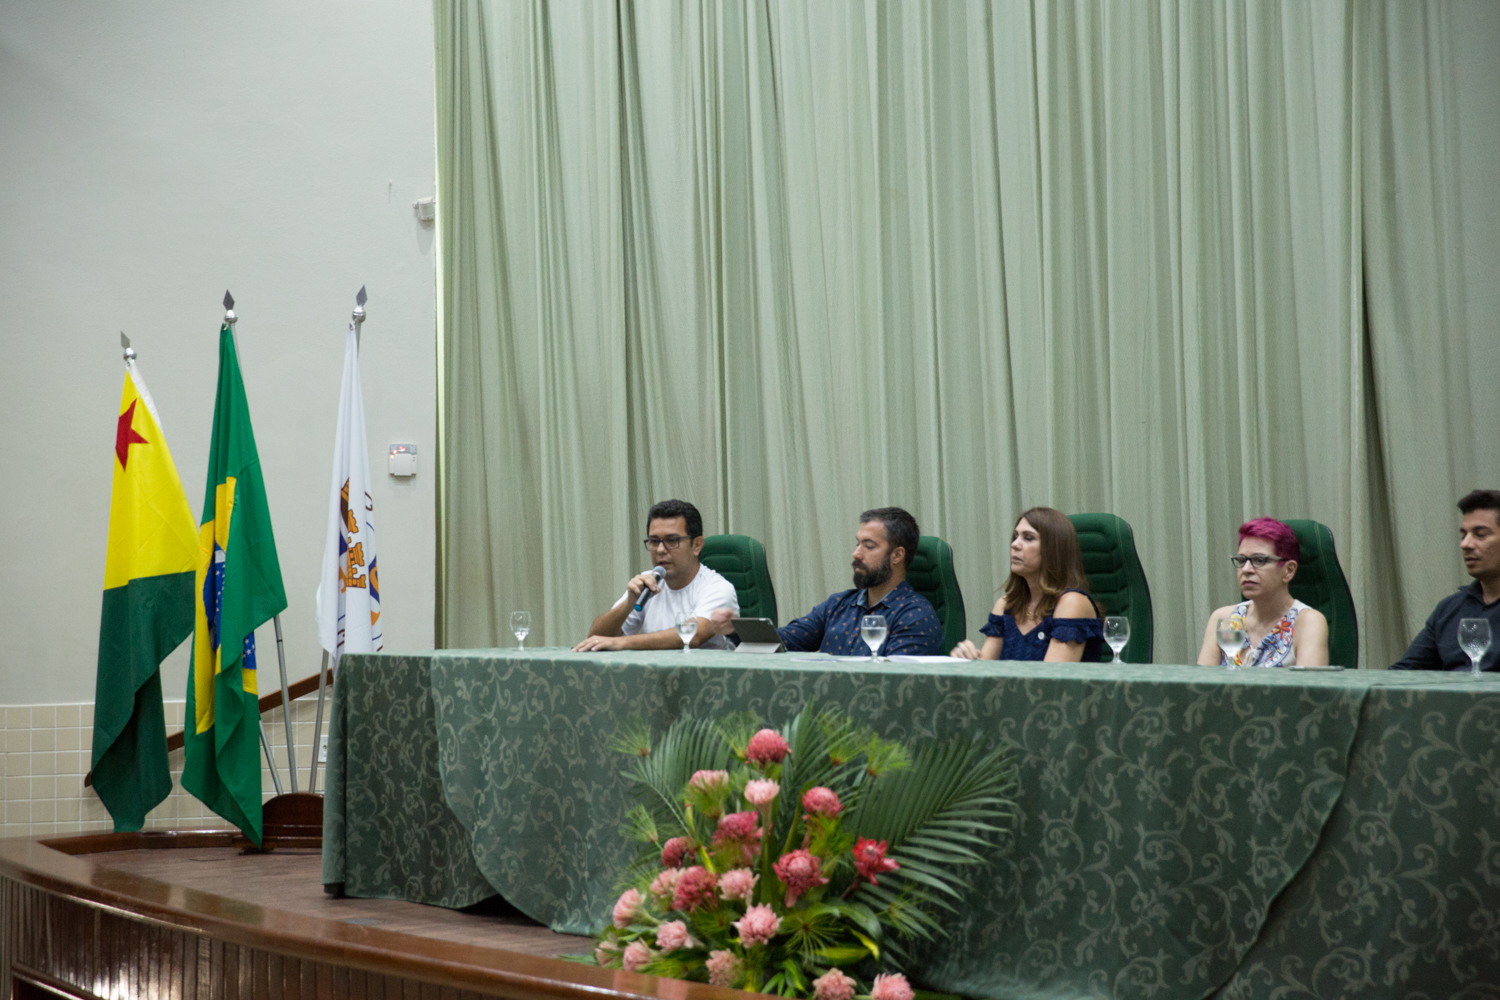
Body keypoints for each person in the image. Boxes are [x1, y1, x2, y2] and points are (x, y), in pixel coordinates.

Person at [710, 507, 943, 657]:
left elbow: (896, 685)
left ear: (897, 555)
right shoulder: (839, 604)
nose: (856, 553)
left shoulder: (916, 615)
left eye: (869, 546)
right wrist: (736, 627)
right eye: (857, 543)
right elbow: (786, 641)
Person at [574, 499, 739, 652]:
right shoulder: (649, 582)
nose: (660, 550)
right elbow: (596, 638)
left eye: (672, 540)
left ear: (696, 545)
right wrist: (629, 604)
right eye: (654, 541)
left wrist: (623, 642)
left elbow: (693, 636)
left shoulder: (718, 588)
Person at [950, 507, 1103, 662]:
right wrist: (967, 659)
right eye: (1015, 537)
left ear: (1052, 549)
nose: (1015, 544)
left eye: (1028, 538)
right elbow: (984, 675)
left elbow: (1052, 682)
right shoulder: (1005, 606)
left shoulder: (1072, 603)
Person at [1196, 517, 1328, 667]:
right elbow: (1202, 687)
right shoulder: (1225, 619)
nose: (1245, 570)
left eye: (1259, 560)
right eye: (1241, 560)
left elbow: (1310, 689)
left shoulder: (1307, 622)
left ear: (1288, 571)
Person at [1391, 489, 1500, 672]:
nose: (1465, 544)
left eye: (1480, 534)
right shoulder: (1449, 609)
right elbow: (1404, 674)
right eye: (1463, 535)